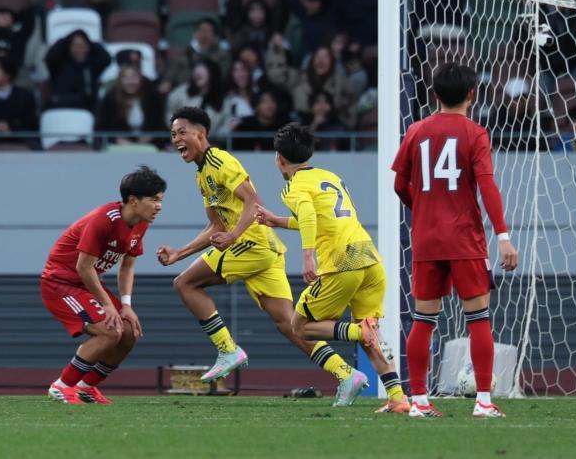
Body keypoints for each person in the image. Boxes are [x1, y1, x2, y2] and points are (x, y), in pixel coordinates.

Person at [156, 108, 357, 400]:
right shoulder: (202, 175)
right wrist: (179, 253)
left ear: (201, 133)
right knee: (290, 324)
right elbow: (216, 226)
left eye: (182, 132)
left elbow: (254, 201)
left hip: (251, 243)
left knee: (185, 284)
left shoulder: (220, 161)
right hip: (265, 249)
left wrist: (234, 236)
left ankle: (228, 349)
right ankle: (346, 374)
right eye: (173, 134)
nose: (176, 139)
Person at [391, 63, 518, 418]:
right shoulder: (475, 133)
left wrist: (423, 207)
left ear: (434, 94)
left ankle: (418, 401)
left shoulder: (416, 130)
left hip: (426, 239)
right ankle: (483, 401)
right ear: (471, 95)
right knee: (478, 318)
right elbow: (487, 186)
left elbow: (399, 184)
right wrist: (503, 236)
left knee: (423, 319)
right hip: (464, 240)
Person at [254, 123, 409, 412]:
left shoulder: (294, 187)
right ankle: (398, 397)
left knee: (300, 326)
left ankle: (359, 332)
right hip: (369, 257)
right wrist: (277, 221)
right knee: (370, 334)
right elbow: (320, 218)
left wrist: (307, 257)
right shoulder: (329, 176)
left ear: (279, 158)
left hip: (342, 262)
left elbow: (309, 215)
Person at [42, 166, 166, 404]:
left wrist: (126, 305)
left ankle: (85, 388)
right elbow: (83, 267)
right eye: (154, 200)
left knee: (128, 332)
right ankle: (61, 386)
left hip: (86, 284)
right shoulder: (103, 220)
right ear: (133, 200)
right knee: (109, 331)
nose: (159, 206)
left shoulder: (140, 223)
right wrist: (107, 304)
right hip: (60, 284)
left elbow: (127, 267)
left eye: (161, 200)